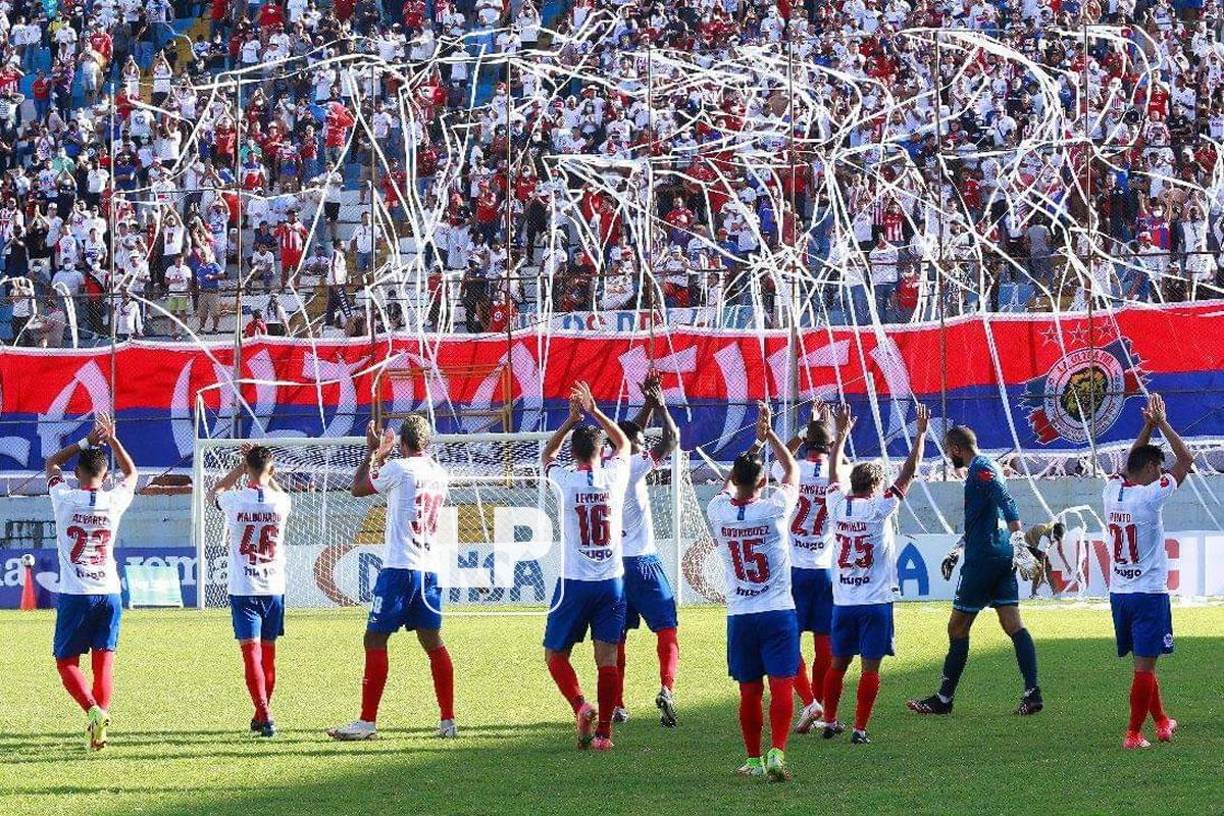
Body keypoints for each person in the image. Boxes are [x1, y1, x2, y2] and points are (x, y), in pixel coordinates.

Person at [328, 416, 457, 741]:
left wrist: (372, 453)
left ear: (403, 443)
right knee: (432, 642)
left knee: (374, 639)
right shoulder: (439, 474)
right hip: (429, 569)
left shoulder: (400, 469)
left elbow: (358, 488)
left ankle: (367, 722)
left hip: (400, 569)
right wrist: (384, 458)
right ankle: (447, 720)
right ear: (427, 443)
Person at [907, 424, 1043, 716]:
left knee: (957, 627)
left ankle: (944, 699)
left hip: (985, 559)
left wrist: (1020, 540)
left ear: (956, 448)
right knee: (1013, 625)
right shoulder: (987, 465)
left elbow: (1006, 501)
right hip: (999, 554)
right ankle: (1032, 692)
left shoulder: (981, 468)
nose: (948, 456)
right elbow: (983, 515)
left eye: (948, 451)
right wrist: (959, 547)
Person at [820, 404, 928, 744]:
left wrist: (840, 435)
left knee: (837, 664)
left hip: (844, 601)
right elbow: (908, 474)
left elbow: (833, 474)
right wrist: (920, 435)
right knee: (870, 669)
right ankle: (859, 728)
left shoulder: (836, 506)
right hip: (875, 601)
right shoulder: (881, 507)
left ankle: (829, 720)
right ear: (877, 485)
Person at [707, 402, 798, 781]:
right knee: (781, 685)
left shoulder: (718, 510)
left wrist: (751, 450)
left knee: (748, 691)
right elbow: (791, 470)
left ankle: (754, 759)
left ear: (733, 480)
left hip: (741, 613)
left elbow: (728, 487)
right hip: (778, 610)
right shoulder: (775, 508)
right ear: (763, 483)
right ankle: (777, 751)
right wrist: (770, 436)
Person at [541, 381, 631, 751]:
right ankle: (605, 735)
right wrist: (594, 411)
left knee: (554, 654)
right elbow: (624, 443)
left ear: (573, 454)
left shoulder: (563, 480)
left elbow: (546, 456)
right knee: (607, 659)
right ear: (601, 452)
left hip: (573, 581)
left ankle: (581, 705)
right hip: (611, 581)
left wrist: (568, 422)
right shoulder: (614, 476)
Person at [45, 414, 137, 751]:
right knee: (104, 662)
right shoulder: (115, 500)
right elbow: (132, 474)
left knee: (66, 663)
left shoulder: (64, 498)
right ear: (105, 476)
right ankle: (100, 728)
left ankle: (93, 713)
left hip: (76, 593)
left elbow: (51, 462)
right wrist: (111, 440)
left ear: (76, 474)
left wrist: (86, 441)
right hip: (109, 591)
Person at [1107, 393, 1193, 749]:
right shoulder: (1150, 496)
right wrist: (1161, 423)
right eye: (1155, 469)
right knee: (1145, 669)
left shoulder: (1111, 492)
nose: (1160, 472)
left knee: (1144, 665)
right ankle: (1132, 733)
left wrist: (1145, 427)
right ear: (1144, 473)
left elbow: (1129, 463)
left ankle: (1161, 722)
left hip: (1119, 594)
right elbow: (1186, 459)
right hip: (1149, 594)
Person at [611, 374, 680, 728]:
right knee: (667, 629)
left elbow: (627, 434)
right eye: (639, 443)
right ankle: (667, 689)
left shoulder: (608, 464)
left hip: (613, 568)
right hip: (644, 563)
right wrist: (663, 406)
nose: (642, 445)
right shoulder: (635, 465)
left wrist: (649, 404)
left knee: (615, 637)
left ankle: (617, 703)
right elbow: (672, 440)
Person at [209, 445, 292, 738]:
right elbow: (277, 489)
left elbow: (214, 492)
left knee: (251, 655)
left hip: (244, 588)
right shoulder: (282, 502)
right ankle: (262, 713)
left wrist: (241, 468)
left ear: (247, 469)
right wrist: (267, 475)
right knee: (268, 655)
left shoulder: (234, 499)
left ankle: (265, 714)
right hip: (273, 587)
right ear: (272, 470)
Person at [778, 402, 840, 734]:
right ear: (831, 446)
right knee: (825, 643)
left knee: (789, 641)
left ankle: (809, 702)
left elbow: (780, 458)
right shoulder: (838, 472)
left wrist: (804, 431)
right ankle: (826, 710)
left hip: (794, 568)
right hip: (824, 568)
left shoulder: (795, 469)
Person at [1023, 521, 1065, 598]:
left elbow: (1060, 549)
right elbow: (1042, 556)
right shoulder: (1045, 538)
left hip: (1038, 540)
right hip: (1029, 545)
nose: (1057, 540)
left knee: (1049, 568)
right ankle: (1033, 593)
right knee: (1038, 569)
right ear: (1054, 534)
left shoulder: (1059, 532)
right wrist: (1042, 576)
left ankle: (1055, 592)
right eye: (1056, 538)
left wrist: (1066, 564)